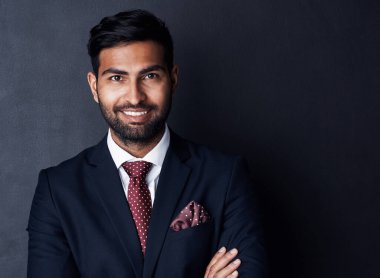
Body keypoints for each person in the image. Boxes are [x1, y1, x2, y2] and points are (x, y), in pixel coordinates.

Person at [27, 9, 267, 278]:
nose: (135, 97)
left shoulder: (226, 176)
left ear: (173, 79)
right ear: (94, 87)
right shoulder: (57, 189)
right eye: (117, 78)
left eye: (150, 76)